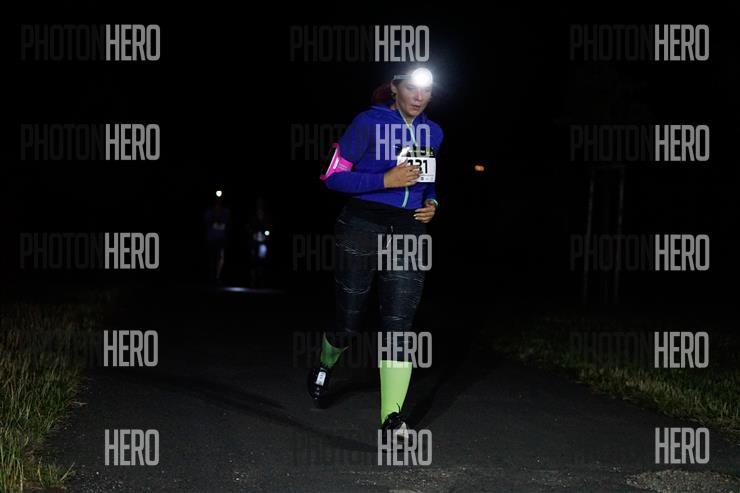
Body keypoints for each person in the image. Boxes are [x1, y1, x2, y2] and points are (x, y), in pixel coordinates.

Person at [307, 66, 442, 441]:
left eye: (426, 90)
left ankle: (391, 420)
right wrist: (385, 179)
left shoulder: (434, 132)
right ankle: (325, 363)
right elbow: (332, 177)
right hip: (362, 223)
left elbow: (428, 181)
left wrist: (433, 203)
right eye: (411, 88)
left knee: (399, 324)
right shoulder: (367, 122)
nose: (419, 96)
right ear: (395, 88)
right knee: (349, 321)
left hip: (409, 228)